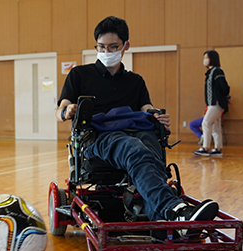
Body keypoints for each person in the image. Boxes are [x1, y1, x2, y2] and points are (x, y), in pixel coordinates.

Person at [57, 16, 218, 234]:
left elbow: (147, 108)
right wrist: (66, 111)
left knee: (150, 151)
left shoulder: (135, 81)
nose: (106, 52)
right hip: (99, 138)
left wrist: (157, 116)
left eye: (113, 47)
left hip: (137, 131)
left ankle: (165, 220)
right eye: (101, 47)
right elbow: (61, 109)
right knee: (134, 147)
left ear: (125, 46)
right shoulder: (79, 75)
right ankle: (174, 211)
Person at [193, 50, 231, 157]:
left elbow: (224, 87)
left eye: (206, 58)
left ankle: (205, 148)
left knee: (206, 123)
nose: (204, 60)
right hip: (212, 104)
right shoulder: (211, 72)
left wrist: (226, 96)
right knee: (215, 126)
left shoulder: (217, 71)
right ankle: (218, 149)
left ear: (212, 59)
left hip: (216, 103)